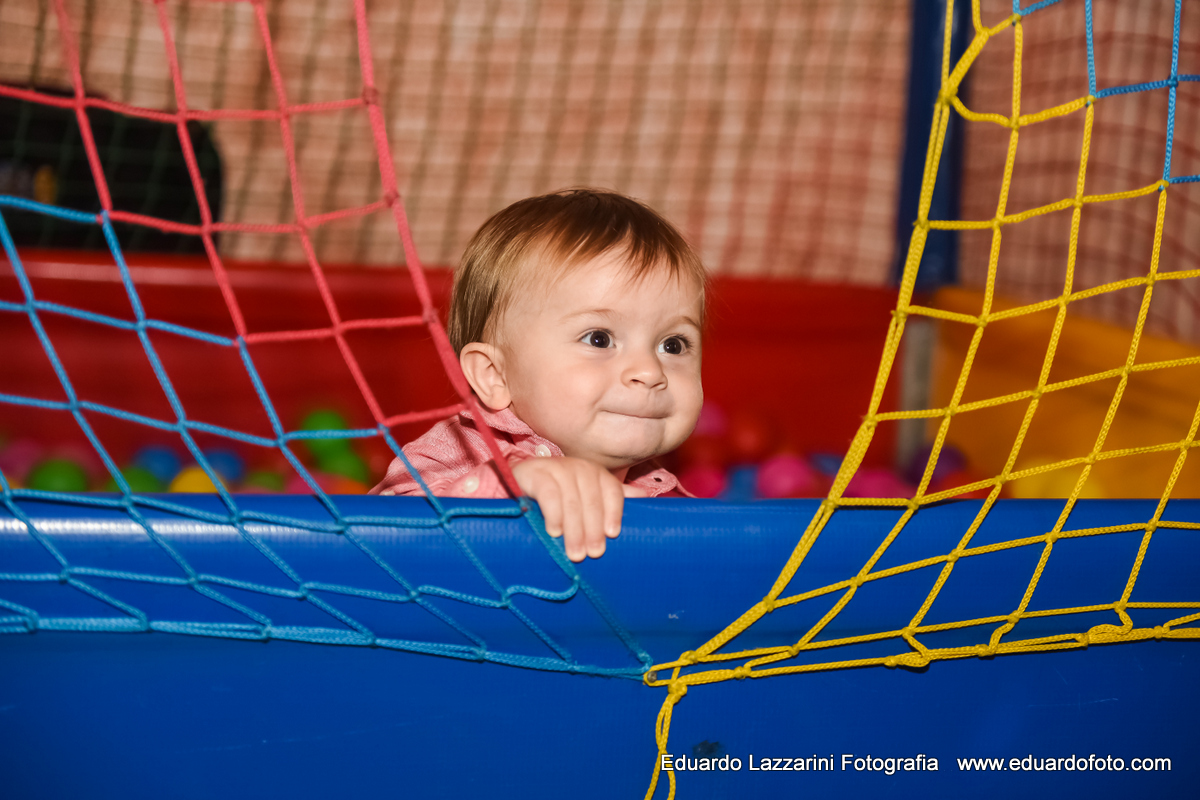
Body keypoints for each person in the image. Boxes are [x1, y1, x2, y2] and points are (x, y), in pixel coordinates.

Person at [372, 189, 705, 561]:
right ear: (494, 375)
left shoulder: (662, 490)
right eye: (599, 338)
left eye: (673, 344)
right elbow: (379, 532)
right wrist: (508, 487)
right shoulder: (459, 449)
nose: (649, 371)